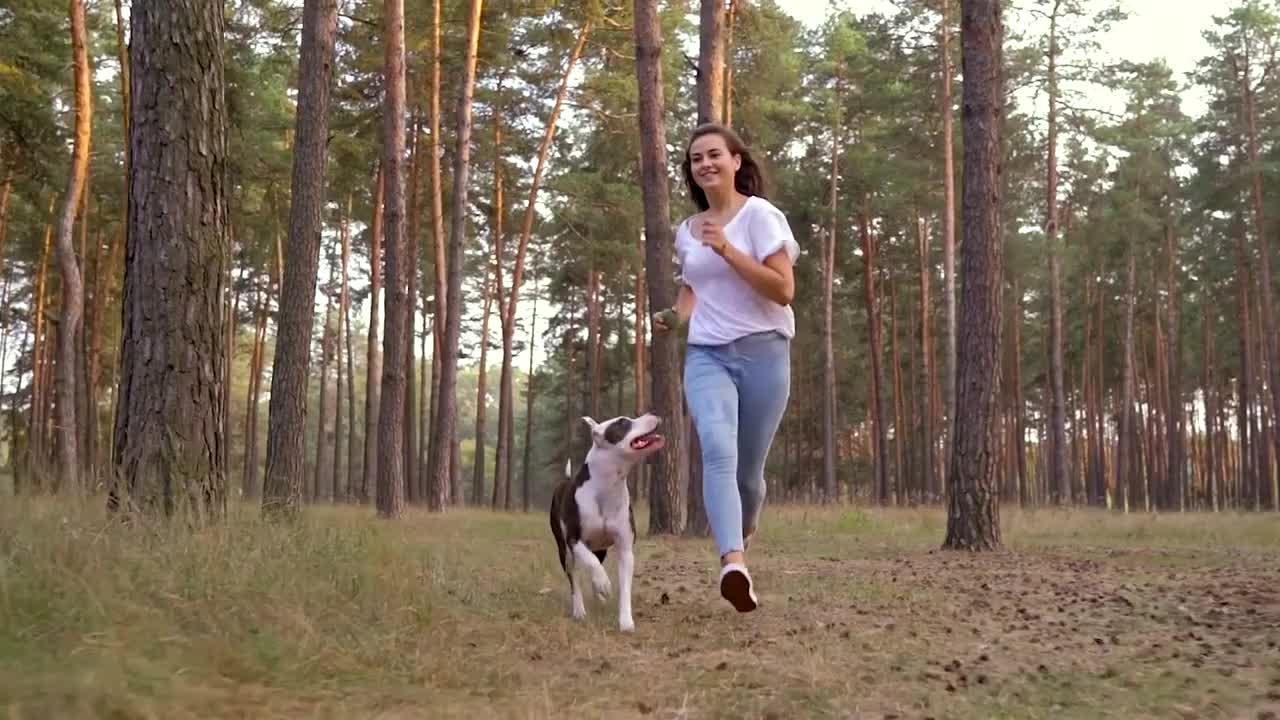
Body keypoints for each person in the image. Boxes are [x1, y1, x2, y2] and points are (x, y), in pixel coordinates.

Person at [653, 123, 799, 613]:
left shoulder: (760, 217)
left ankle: (745, 527)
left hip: (764, 351)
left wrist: (728, 250)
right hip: (707, 353)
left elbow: (783, 290)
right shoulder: (687, 231)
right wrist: (676, 316)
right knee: (716, 450)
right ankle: (733, 564)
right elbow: (695, 287)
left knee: (748, 474)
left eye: (714, 154)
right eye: (696, 159)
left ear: (737, 161)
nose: (705, 164)